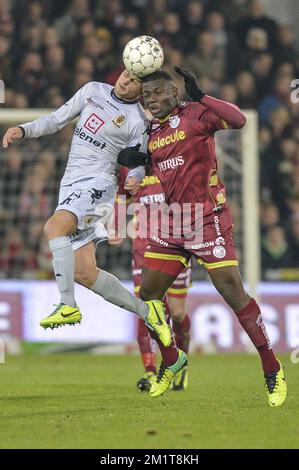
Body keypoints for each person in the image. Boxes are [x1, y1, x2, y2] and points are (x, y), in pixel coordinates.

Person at [120, 67, 287, 407]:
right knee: (147, 297)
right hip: (172, 222)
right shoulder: (149, 131)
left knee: (233, 293)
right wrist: (138, 165)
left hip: (207, 219)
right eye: (146, 95)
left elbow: (239, 120)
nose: (150, 99)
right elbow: (142, 170)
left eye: (157, 92)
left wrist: (203, 96)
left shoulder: (196, 114)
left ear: (174, 92)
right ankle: (171, 359)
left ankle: (272, 366)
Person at [2, 69, 172, 349]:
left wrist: (134, 177)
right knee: (84, 272)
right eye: (126, 74)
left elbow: (140, 162)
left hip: (100, 185)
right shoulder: (93, 90)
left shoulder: (138, 120)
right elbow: (56, 119)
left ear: (141, 91)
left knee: (53, 227)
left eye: (134, 81)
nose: (126, 80)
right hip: (69, 185)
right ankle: (149, 313)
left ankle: (67, 304)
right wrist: (24, 129)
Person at [109, 166, 191, 392]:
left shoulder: (173, 153)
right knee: (146, 310)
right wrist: (116, 223)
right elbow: (122, 193)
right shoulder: (131, 163)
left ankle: (181, 365)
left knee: (176, 312)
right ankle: (151, 370)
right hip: (143, 250)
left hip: (176, 246)